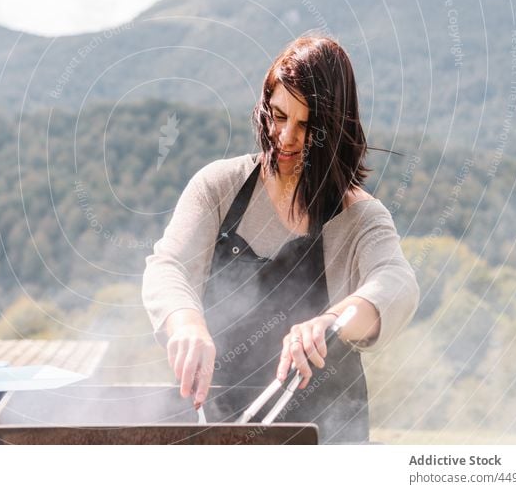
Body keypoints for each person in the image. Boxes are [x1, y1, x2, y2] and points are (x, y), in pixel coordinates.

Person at [141, 36, 419, 443]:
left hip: (327, 436)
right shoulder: (219, 187)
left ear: (335, 130)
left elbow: (397, 284)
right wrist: (186, 323)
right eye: (277, 115)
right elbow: (169, 267)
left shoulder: (360, 218)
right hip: (218, 421)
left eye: (306, 126)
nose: (285, 137)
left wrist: (331, 321)